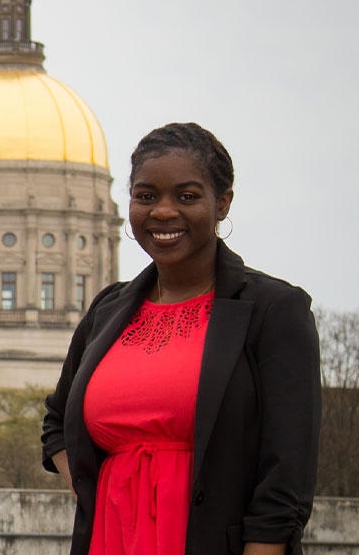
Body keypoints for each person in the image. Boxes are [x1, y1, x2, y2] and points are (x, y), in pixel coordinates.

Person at [41, 122, 317, 555]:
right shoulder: (107, 310)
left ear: (222, 203)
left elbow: (286, 476)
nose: (163, 212)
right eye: (146, 196)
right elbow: (56, 424)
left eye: (186, 197)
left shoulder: (275, 310)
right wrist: (100, 495)